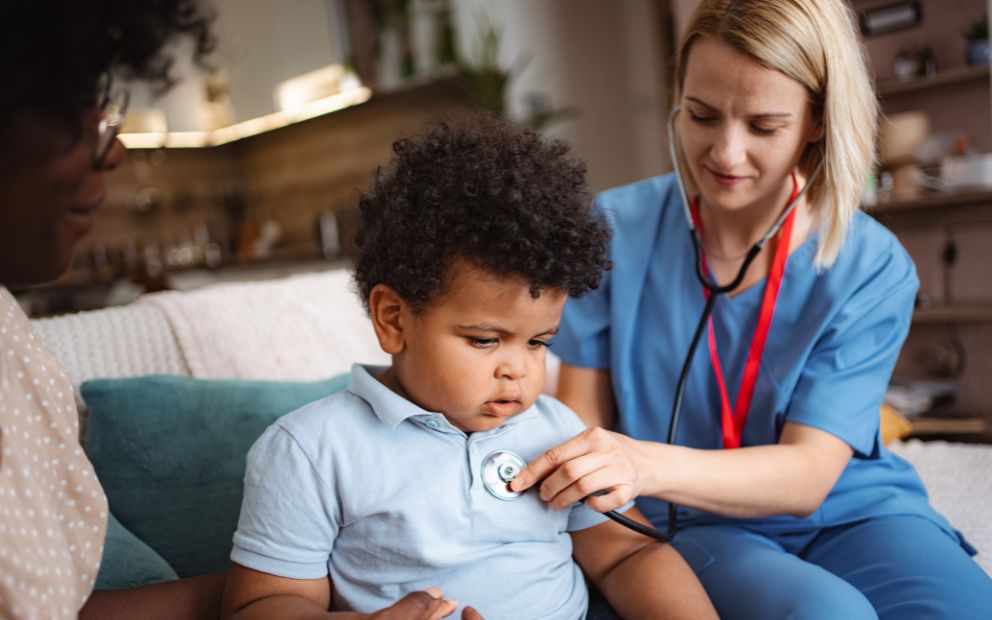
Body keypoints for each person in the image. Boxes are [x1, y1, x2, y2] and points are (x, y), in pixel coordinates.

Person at [507, 1, 992, 618]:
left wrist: (640, 459)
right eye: (703, 115)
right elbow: (578, 424)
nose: (726, 154)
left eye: (763, 126)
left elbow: (809, 475)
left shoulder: (870, 264)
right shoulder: (612, 231)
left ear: (817, 121)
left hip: (853, 509)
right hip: (691, 517)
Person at [0, 2, 475, 618]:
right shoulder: (310, 448)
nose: (113, 150)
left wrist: (286, 587)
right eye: (72, 111)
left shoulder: (12, 336)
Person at [220, 115, 717, 619]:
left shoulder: (555, 430)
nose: (520, 372)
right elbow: (263, 605)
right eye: (484, 340)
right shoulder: (311, 451)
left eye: (539, 342)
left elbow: (628, 553)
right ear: (393, 319)